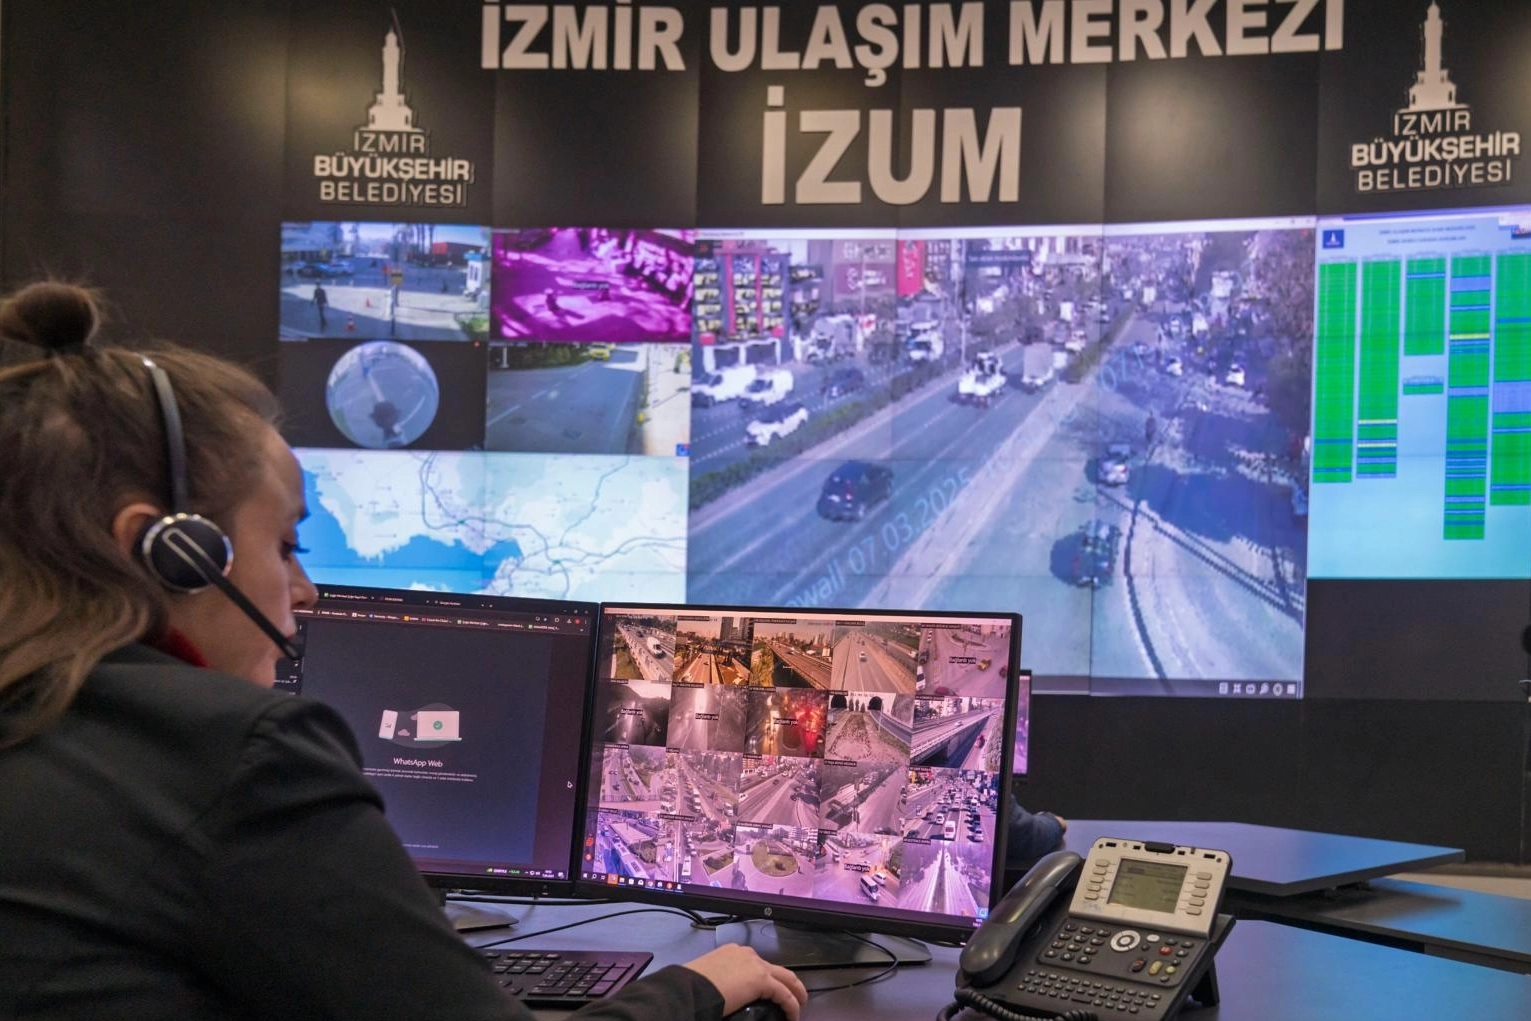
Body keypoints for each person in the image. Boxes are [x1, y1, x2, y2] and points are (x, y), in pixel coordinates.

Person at [0, 281, 808, 1021]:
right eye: (284, 546)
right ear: (169, 552)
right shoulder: (230, 753)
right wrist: (696, 988)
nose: (306, 591)